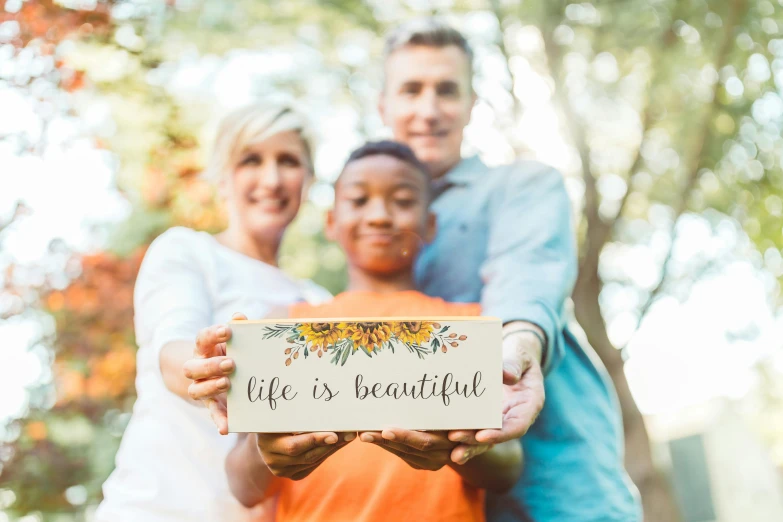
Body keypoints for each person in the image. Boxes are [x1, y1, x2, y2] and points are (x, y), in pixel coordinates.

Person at [189, 18, 642, 522]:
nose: (428, 110)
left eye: (447, 90)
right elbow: (254, 456)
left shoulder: (521, 187)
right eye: (411, 90)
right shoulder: (304, 317)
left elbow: (526, 281)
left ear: (473, 104)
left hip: (561, 492)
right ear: (384, 105)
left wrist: (518, 346)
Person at [188, 140, 522, 522]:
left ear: (430, 224)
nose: (379, 215)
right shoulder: (285, 327)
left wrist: (462, 449)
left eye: (402, 200)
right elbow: (243, 487)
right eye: (359, 200)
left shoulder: (471, 327)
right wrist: (266, 455)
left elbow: (508, 469)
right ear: (331, 222)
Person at [95, 102, 330, 522]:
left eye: (289, 161)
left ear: (308, 180)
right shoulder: (189, 252)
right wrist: (211, 366)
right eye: (251, 160)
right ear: (223, 176)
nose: (272, 179)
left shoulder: (319, 302)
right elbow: (171, 355)